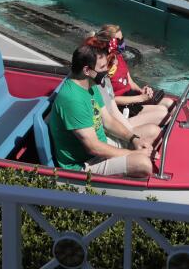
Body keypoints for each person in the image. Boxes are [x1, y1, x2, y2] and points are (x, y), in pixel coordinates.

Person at [47, 44, 153, 178]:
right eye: (102, 67)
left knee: (151, 132)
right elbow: (93, 147)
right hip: (85, 164)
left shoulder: (90, 85)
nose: (107, 71)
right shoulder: (72, 99)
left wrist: (134, 139)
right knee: (143, 163)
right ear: (87, 70)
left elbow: (108, 121)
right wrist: (132, 154)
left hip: (102, 146)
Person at [94, 25, 174, 126]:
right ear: (107, 44)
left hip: (132, 97)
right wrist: (140, 98)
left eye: (122, 39)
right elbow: (110, 100)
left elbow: (130, 82)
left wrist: (142, 91)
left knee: (169, 103)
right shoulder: (103, 67)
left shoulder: (118, 57)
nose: (122, 43)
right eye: (118, 41)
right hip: (122, 107)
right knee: (163, 114)